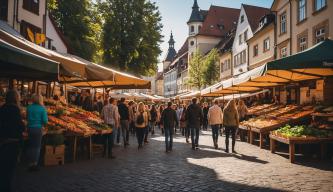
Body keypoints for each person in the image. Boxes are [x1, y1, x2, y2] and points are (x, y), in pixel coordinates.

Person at [0, 90, 25, 192]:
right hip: (13, 143)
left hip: (3, 142)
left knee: (3, 168)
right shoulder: (15, 110)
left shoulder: (2, 108)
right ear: (16, 98)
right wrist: (23, 125)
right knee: (9, 170)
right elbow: (19, 127)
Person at [26, 94, 48, 171]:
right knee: (37, 147)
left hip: (29, 128)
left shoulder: (29, 107)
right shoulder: (42, 108)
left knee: (31, 145)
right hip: (38, 128)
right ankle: (34, 164)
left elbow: (27, 118)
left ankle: (29, 163)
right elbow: (45, 121)